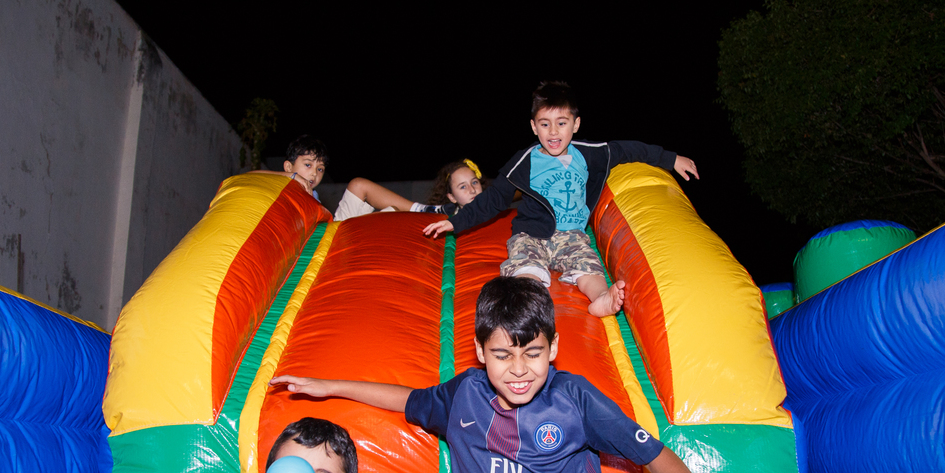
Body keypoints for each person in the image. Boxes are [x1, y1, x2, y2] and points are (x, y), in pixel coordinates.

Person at [271, 277, 752, 473]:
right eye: (503, 355)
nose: (519, 370)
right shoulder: (462, 397)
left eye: (533, 354)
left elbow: (646, 449)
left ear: (554, 348)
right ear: (480, 351)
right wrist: (329, 384)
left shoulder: (575, 399)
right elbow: (407, 398)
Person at [422, 82, 699, 318]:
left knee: (588, 266)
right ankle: (529, 297)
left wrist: (671, 159)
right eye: (545, 124)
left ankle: (601, 298)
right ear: (534, 127)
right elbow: (494, 199)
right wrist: (454, 223)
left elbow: (629, 149)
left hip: (573, 236)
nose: (553, 132)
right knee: (524, 265)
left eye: (561, 123)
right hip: (532, 233)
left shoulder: (589, 153)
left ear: (575, 124)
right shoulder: (525, 161)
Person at [333, 159, 485, 221]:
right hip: (338, 240)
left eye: (474, 182)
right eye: (463, 186)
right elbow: (360, 186)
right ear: (451, 197)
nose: (472, 190)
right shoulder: (446, 211)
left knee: (392, 211)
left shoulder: (496, 205)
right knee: (358, 185)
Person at [268, 135, 329, 201]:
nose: (314, 173)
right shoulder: (281, 187)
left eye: (320, 169)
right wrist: (293, 176)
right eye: (308, 165)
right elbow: (256, 175)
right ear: (288, 167)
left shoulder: (314, 197)